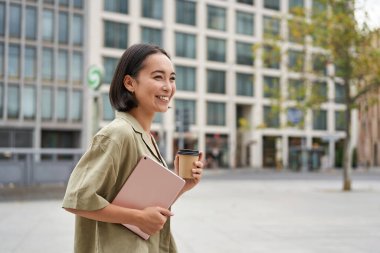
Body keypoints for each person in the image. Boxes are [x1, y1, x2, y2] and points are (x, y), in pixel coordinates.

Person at [62, 43, 204, 253]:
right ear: (129, 82)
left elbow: (144, 205)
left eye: (171, 78)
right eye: (158, 77)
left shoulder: (145, 136)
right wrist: (138, 218)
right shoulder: (118, 134)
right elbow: (77, 200)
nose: (168, 86)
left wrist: (183, 185)